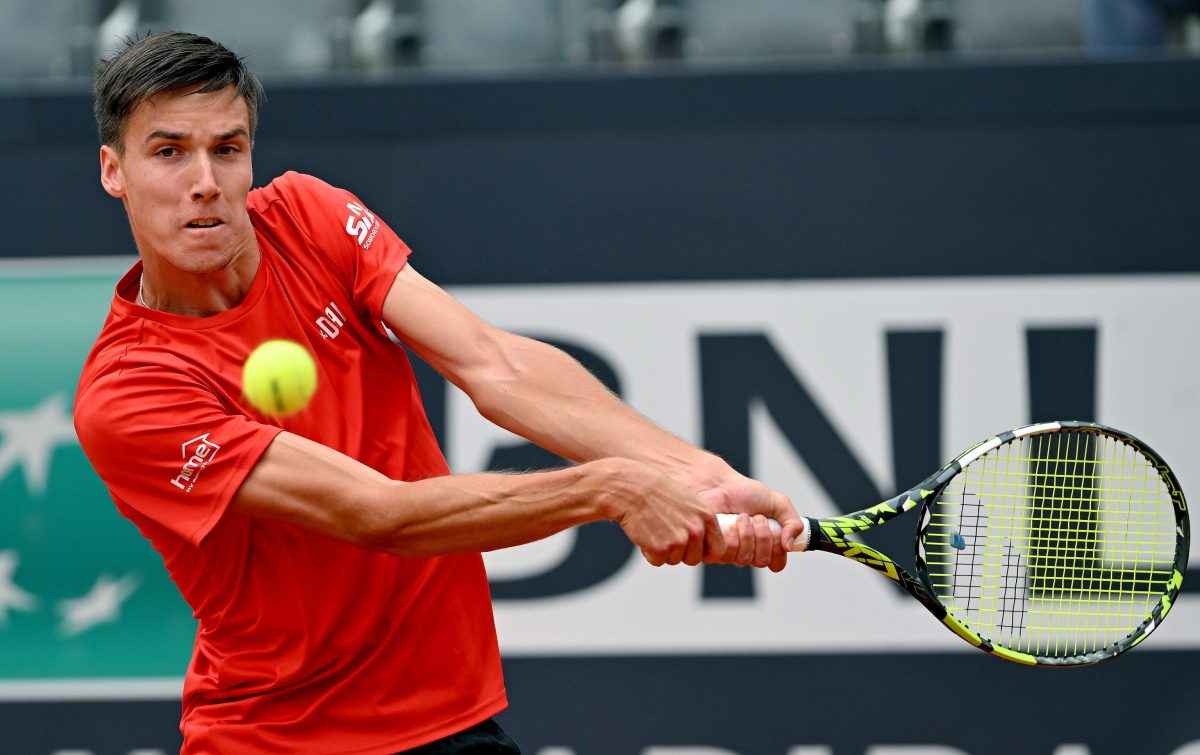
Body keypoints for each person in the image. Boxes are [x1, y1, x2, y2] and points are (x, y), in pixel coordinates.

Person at [73, 31, 805, 754]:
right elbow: (377, 512)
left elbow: (495, 364)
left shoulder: (308, 216)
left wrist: (695, 471)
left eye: (227, 149)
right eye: (169, 152)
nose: (205, 180)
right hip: (278, 738)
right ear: (114, 171)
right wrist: (612, 487)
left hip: (449, 721)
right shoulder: (128, 393)